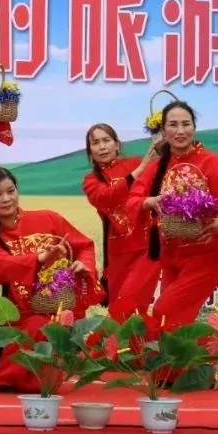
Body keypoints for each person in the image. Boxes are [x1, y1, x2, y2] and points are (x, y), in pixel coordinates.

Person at [122, 101, 218, 329]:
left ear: (194, 127)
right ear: (163, 131)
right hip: (171, 255)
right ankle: (185, 352)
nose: (180, 131)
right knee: (173, 324)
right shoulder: (157, 167)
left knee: (164, 310)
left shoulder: (212, 163)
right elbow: (132, 200)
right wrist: (149, 202)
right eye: (173, 125)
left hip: (205, 256)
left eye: (186, 124)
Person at [0, 166, 102, 393]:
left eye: (10, 191)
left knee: (48, 332)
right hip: (23, 314)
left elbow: (84, 246)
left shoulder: (48, 218)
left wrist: (84, 265)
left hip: (61, 307)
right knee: (16, 369)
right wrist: (39, 259)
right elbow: (2, 267)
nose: (6, 199)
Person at [81, 123, 160, 314]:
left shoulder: (134, 162)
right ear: (90, 151)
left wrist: (161, 142)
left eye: (106, 140)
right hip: (119, 251)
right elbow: (106, 197)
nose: (102, 146)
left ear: (117, 144)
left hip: (147, 245)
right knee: (118, 308)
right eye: (95, 143)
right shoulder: (91, 181)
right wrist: (140, 171)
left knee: (137, 305)